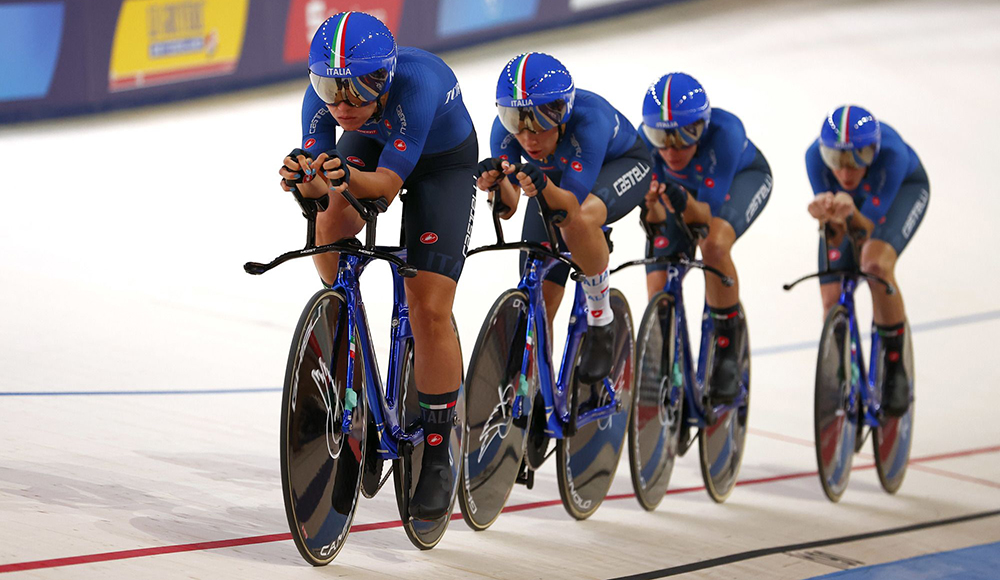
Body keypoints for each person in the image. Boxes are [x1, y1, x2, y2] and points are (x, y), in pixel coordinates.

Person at [277, 11, 477, 520]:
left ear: (383, 78)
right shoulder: (326, 105)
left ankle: (436, 448)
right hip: (371, 146)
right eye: (328, 88)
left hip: (441, 165)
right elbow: (324, 189)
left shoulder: (419, 83)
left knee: (428, 308)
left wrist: (338, 177)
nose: (340, 105)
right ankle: (356, 361)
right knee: (329, 229)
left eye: (354, 91)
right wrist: (306, 181)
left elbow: (384, 189)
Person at [475, 52, 652, 385]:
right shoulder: (504, 131)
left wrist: (541, 185)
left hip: (619, 166)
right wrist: (496, 185)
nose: (528, 138)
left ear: (561, 113)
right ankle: (539, 391)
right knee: (539, 302)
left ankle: (601, 317)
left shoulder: (591, 120)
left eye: (539, 123)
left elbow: (569, 207)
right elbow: (509, 206)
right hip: (556, 180)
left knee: (581, 220)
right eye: (517, 123)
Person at [638, 72, 772, 405]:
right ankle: (666, 356)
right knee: (658, 279)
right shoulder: (643, 142)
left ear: (703, 125)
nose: (671, 149)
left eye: (685, 135)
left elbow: (703, 218)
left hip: (737, 183)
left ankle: (726, 347)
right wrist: (651, 207)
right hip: (679, 193)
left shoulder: (726, 134)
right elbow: (652, 223)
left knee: (712, 243)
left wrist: (676, 200)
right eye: (661, 136)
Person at [805, 105, 929, 416]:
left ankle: (895, 365)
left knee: (874, 264)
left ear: (873, 151)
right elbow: (836, 236)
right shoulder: (814, 158)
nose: (846, 172)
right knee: (831, 297)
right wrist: (829, 218)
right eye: (837, 161)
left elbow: (865, 230)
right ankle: (840, 372)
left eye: (857, 160)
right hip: (854, 206)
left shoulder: (893, 156)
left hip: (899, 194)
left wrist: (850, 210)